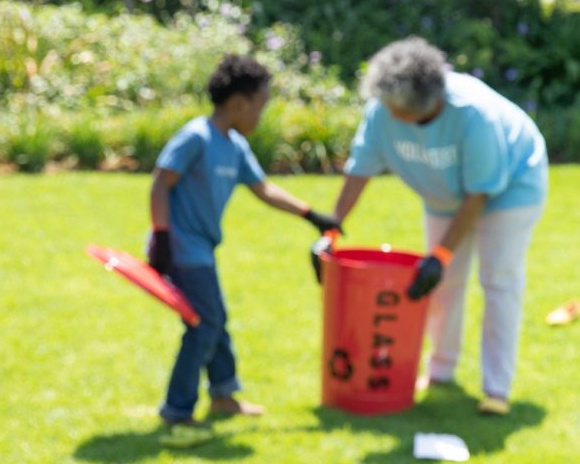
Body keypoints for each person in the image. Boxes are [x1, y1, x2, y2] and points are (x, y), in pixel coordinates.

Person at [320, 37, 547, 416]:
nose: (390, 116)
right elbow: (359, 171)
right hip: (443, 197)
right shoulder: (382, 113)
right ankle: (440, 372)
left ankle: (497, 389)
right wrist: (330, 232)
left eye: (397, 109)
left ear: (426, 102)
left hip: (510, 191)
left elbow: (480, 194)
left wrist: (440, 254)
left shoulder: (474, 115)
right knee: (440, 285)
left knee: (499, 282)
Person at [148, 54, 341, 442]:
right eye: (260, 105)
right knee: (204, 324)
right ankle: (177, 409)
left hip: (202, 248)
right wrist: (162, 236)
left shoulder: (234, 145)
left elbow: (264, 189)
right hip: (180, 247)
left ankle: (223, 397)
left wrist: (311, 215)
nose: (261, 114)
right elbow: (160, 184)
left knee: (214, 318)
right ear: (238, 102)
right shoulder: (196, 137)